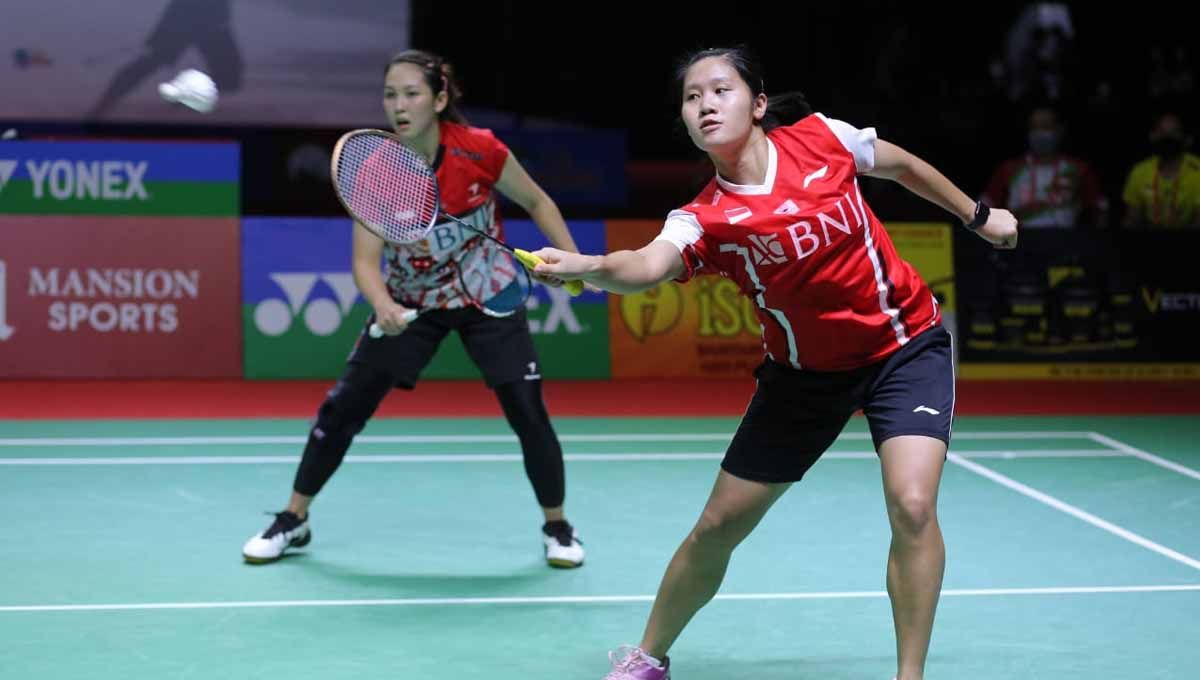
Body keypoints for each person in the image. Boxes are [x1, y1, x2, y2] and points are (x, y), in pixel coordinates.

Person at [531, 47, 1018, 680]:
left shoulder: (823, 140)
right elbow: (647, 265)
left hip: (904, 345)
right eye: (692, 97)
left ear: (758, 104)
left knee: (913, 503)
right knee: (718, 525)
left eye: (720, 90)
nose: (706, 104)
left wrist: (976, 217)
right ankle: (647, 656)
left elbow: (896, 163)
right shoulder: (704, 218)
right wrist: (592, 268)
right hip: (803, 378)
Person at [242, 49, 586, 569]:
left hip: (482, 293)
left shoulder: (479, 150)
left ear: (440, 99)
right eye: (389, 95)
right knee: (342, 410)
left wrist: (572, 263)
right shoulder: (375, 169)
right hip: (411, 301)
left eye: (411, 94)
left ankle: (557, 527)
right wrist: (381, 304)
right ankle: (295, 518)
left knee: (528, 412)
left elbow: (537, 201)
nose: (398, 106)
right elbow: (364, 261)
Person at [981, 105, 1106, 228]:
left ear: (1059, 130)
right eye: (1034, 127)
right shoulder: (1008, 169)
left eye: (1045, 126)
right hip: (1019, 243)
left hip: (1067, 243)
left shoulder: (1079, 169)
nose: (1039, 133)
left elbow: (1100, 211)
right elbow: (983, 211)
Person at [1121, 112, 1200, 229]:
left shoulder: (1198, 171)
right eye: (1162, 132)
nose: (1168, 137)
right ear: (1152, 136)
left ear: (1187, 139)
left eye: (1174, 133)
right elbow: (1132, 219)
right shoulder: (1140, 171)